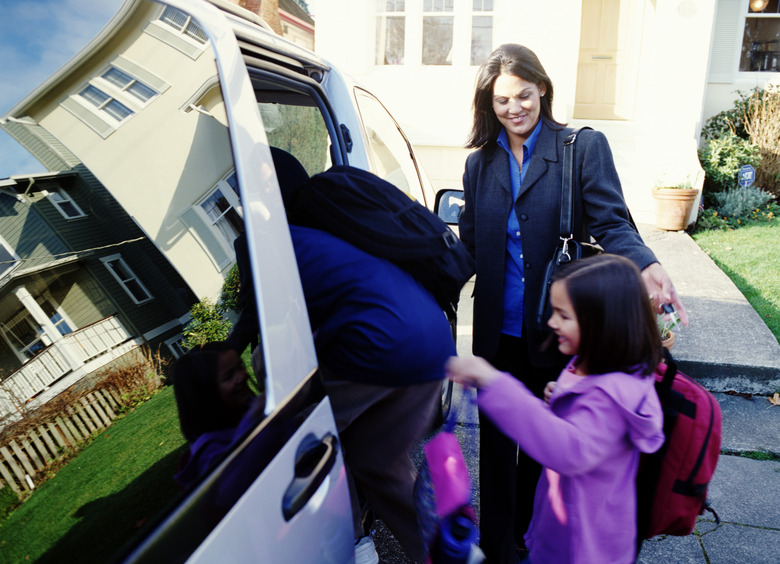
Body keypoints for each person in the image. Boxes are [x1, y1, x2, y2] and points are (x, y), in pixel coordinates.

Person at [459, 43, 687, 563]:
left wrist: (647, 264)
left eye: (523, 94)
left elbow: (611, 222)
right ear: (487, 105)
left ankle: (532, 538)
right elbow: (468, 246)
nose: (514, 108)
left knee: (544, 450)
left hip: (554, 329)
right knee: (495, 451)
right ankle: (497, 549)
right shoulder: (479, 165)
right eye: (501, 101)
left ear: (542, 89)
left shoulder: (579, 148)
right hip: (496, 331)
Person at [225, 157, 457, 563]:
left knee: (302, 435)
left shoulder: (262, 240)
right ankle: (449, 553)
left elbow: (258, 315)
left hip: (381, 344)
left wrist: (224, 351)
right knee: (377, 462)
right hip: (432, 340)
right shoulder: (333, 226)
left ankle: (354, 548)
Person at [446, 254, 665, 564]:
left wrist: (495, 382)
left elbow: (568, 449)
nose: (551, 322)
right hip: (562, 535)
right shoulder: (592, 369)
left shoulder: (612, 396)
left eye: (563, 315)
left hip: (583, 550)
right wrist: (562, 396)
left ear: (601, 324)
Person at [171, 341, 264, 490]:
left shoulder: (248, 406)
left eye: (240, 367)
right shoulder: (209, 452)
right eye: (229, 376)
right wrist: (254, 418)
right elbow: (234, 487)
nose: (243, 375)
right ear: (207, 394)